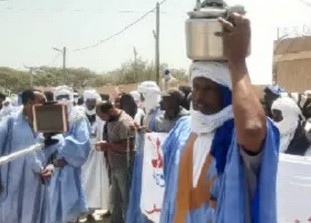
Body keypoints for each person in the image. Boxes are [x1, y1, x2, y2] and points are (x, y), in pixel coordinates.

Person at [160, 13, 279, 223]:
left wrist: (238, 62)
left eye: (208, 89)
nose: (198, 98)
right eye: (195, 88)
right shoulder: (184, 128)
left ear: (228, 92)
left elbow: (251, 129)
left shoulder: (237, 134)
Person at [0, 89, 59, 223]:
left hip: (37, 185)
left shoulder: (48, 126)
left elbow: (53, 154)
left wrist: (50, 168)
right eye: (42, 101)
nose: (45, 105)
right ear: (29, 103)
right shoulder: (9, 123)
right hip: (12, 186)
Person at [49, 85, 91, 223]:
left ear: (71, 98)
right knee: (52, 203)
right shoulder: (51, 115)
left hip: (69, 166)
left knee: (69, 202)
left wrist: (65, 157)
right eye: (59, 97)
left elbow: (82, 142)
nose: (63, 100)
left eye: (65, 97)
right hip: (52, 166)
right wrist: (51, 158)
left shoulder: (78, 117)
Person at [95, 101, 136, 223]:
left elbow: (128, 147)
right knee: (115, 200)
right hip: (114, 166)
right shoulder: (111, 120)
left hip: (125, 166)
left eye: (103, 116)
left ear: (111, 111)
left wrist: (108, 145)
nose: (102, 120)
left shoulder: (124, 122)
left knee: (127, 200)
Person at [81, 89, 110, 220]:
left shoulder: (99, 116)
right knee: (84, 181)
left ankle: (92, 211)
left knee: (96, 183)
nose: (91, 105)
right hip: (83, 153)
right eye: (89, 102)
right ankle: (84, 210)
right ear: (85, 101)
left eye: (94, 102)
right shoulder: (80, 114)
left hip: (98, 153)